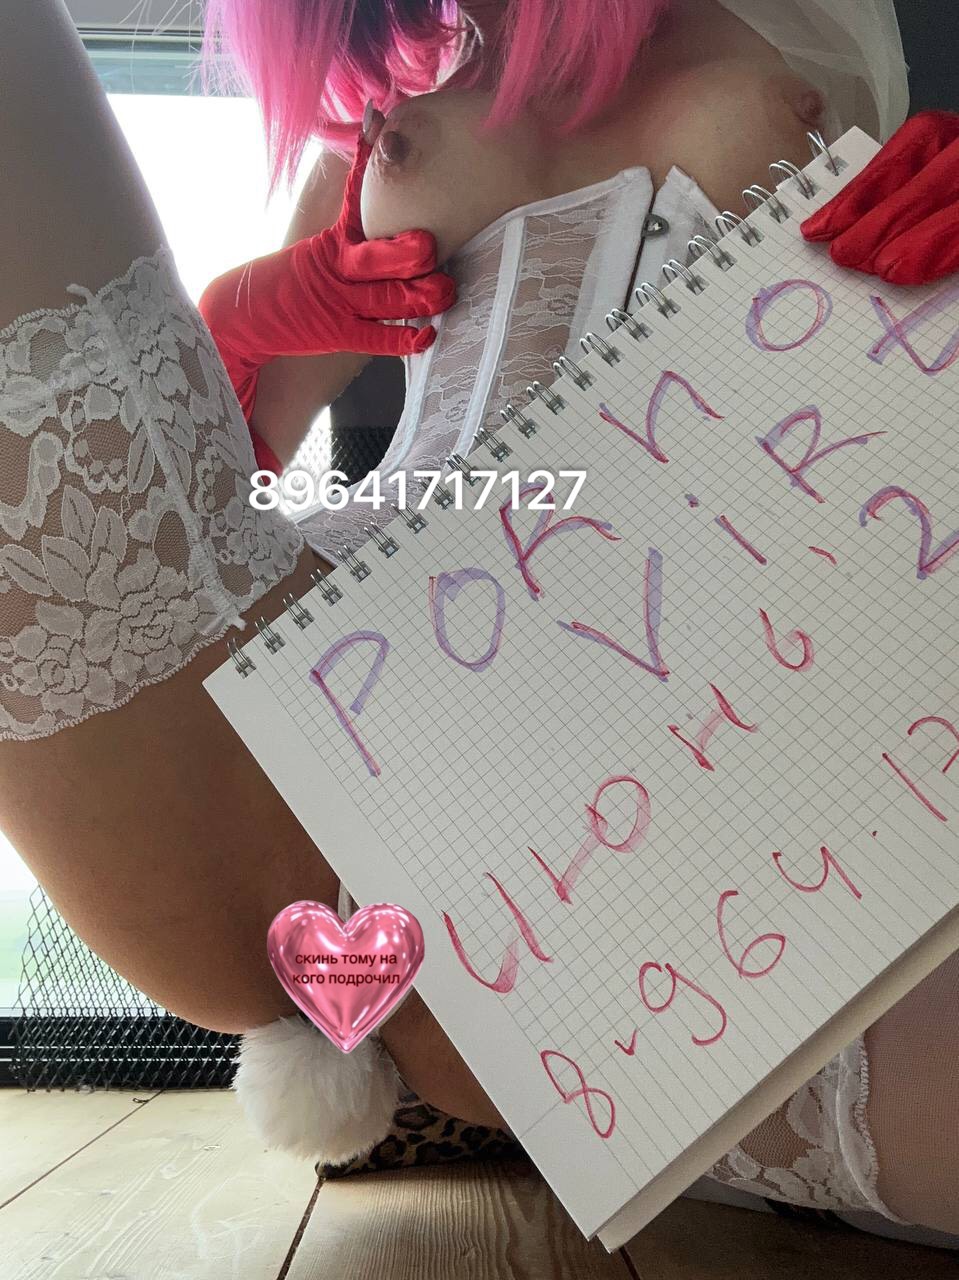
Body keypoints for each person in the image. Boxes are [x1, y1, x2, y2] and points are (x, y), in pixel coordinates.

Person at [0, 0, 956, 1247]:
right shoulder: (383, 100)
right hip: (365, 719)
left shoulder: (792, 33)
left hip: (720, 788)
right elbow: (226, 487)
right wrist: (243, 326)